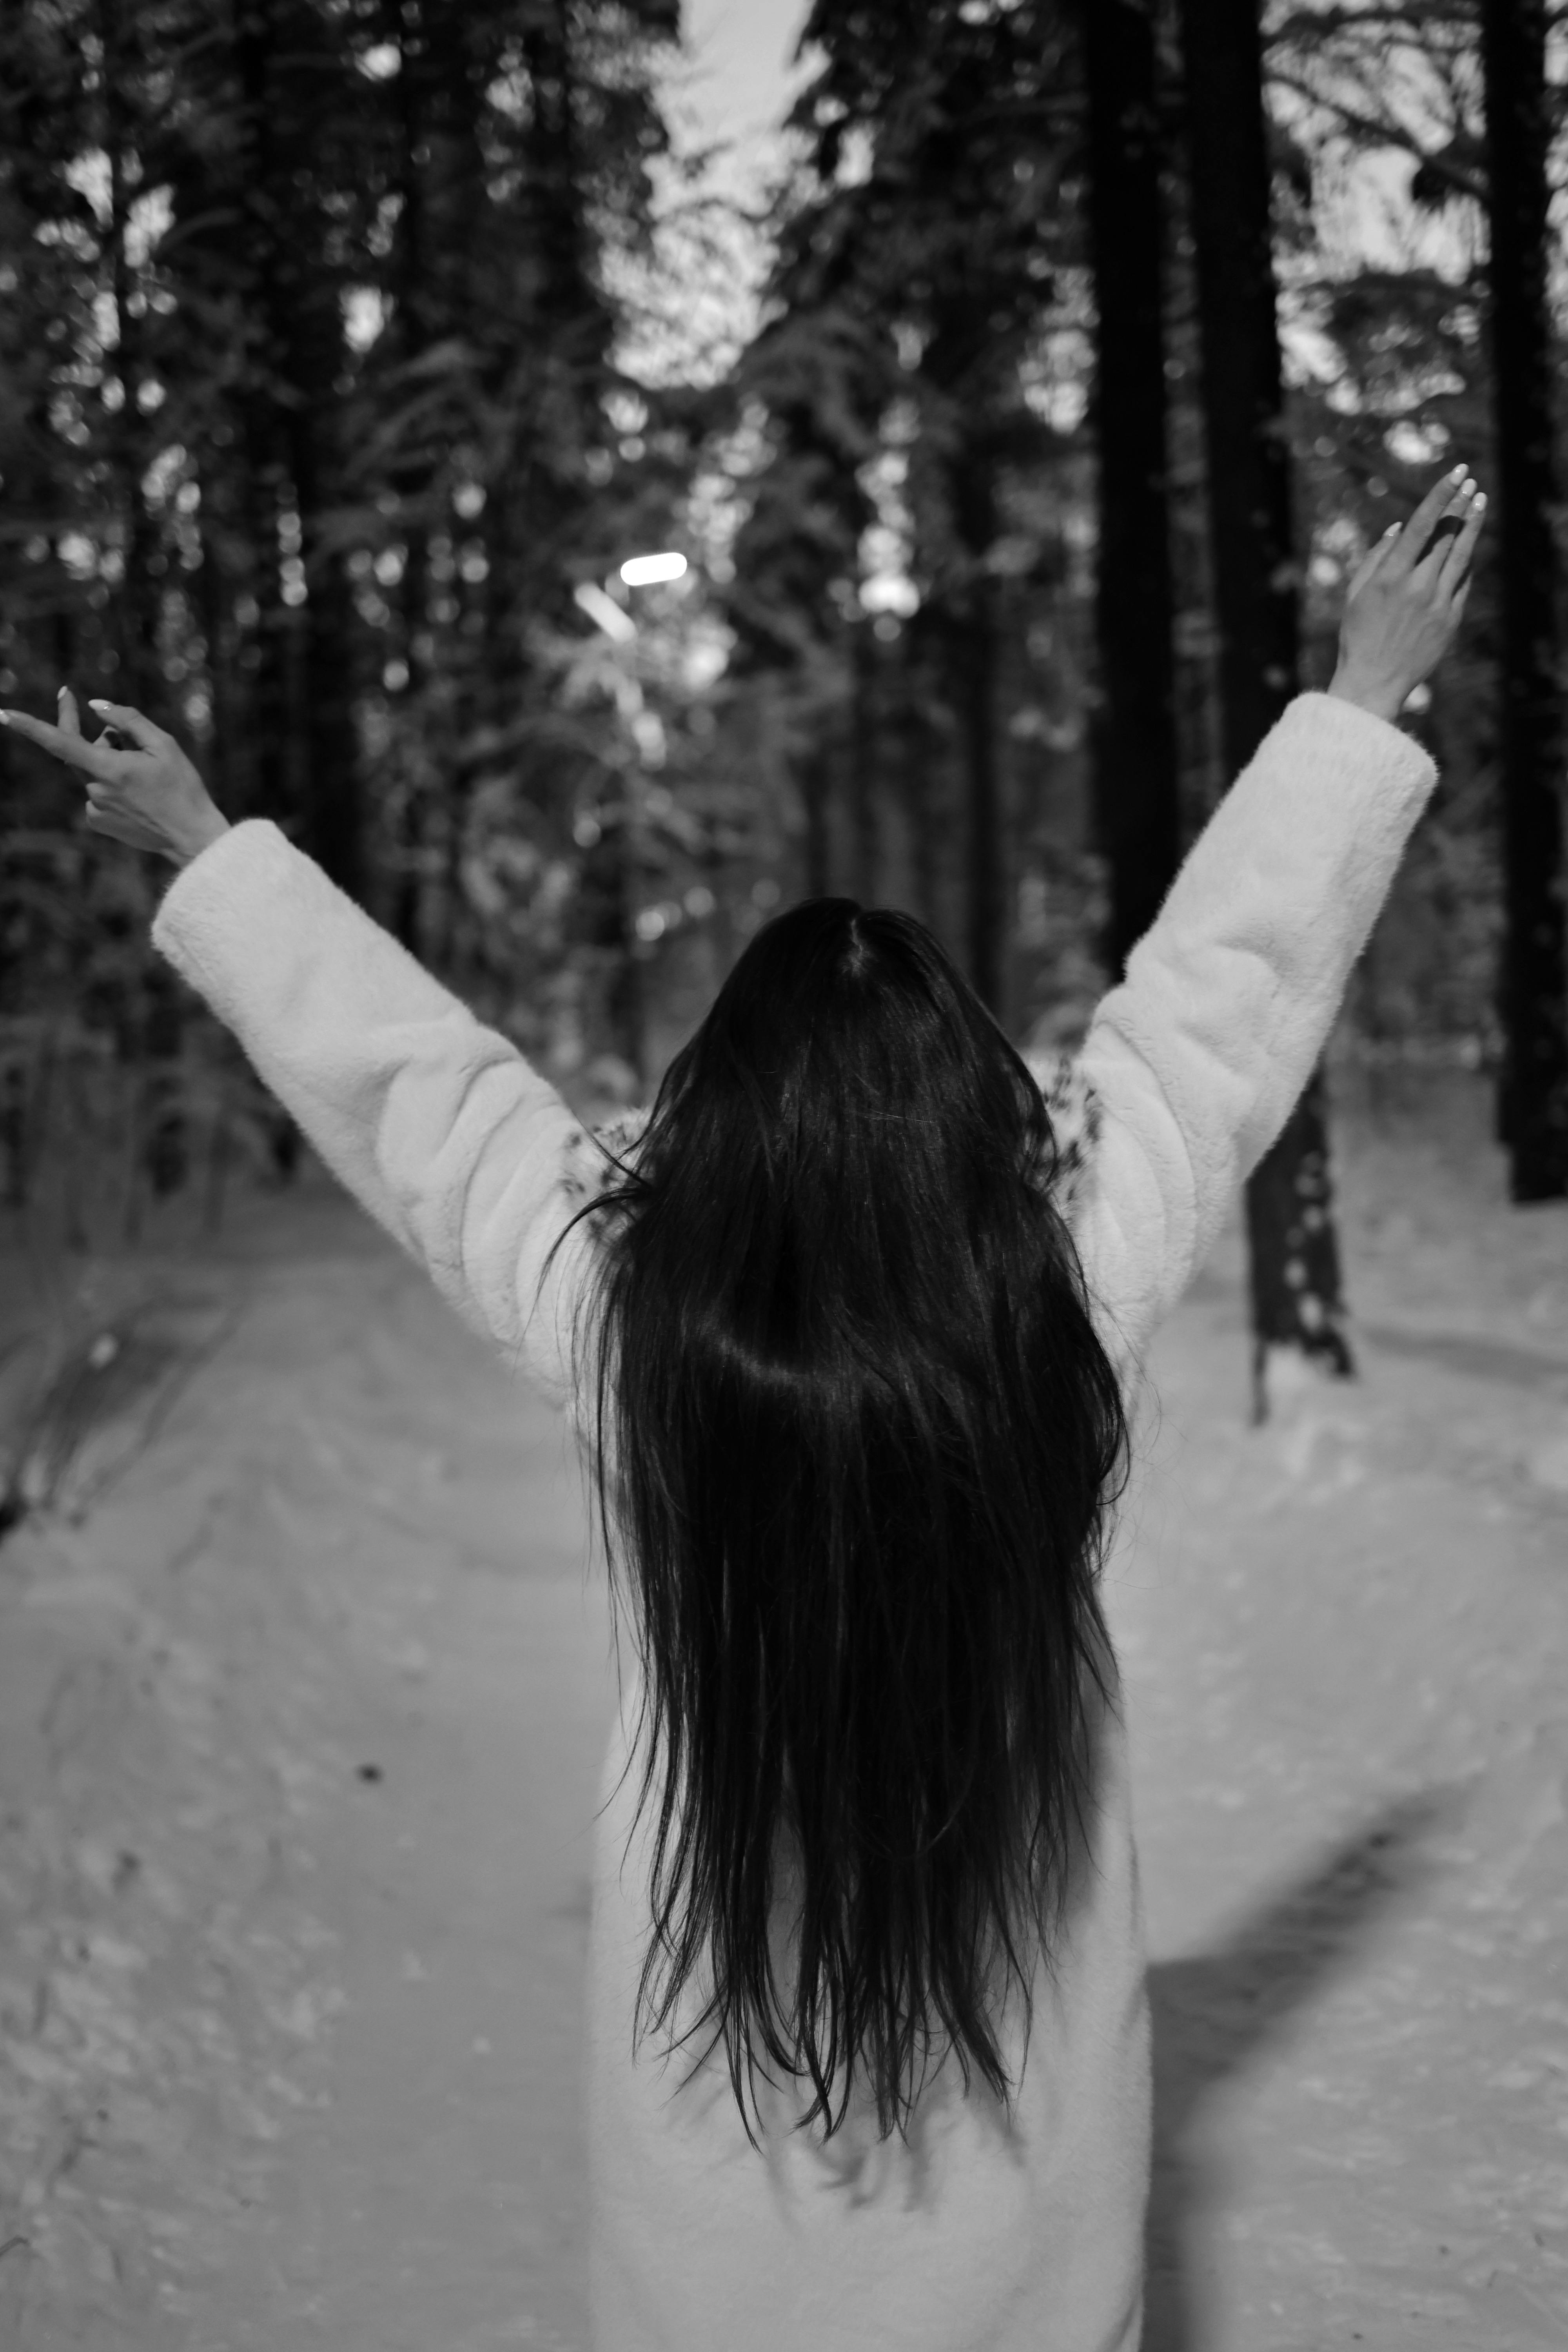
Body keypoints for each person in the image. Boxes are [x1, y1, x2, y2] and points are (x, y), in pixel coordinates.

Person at [0, 464, 1485, 2349]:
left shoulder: (635, 1319)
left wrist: (204, 843)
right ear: (966, 1111)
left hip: (721, 2137)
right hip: (1026, 2180)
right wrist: (1359, 702)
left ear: (732, 1112)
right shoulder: (1056, 1291)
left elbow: (419, 1094)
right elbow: (1214, 1014)